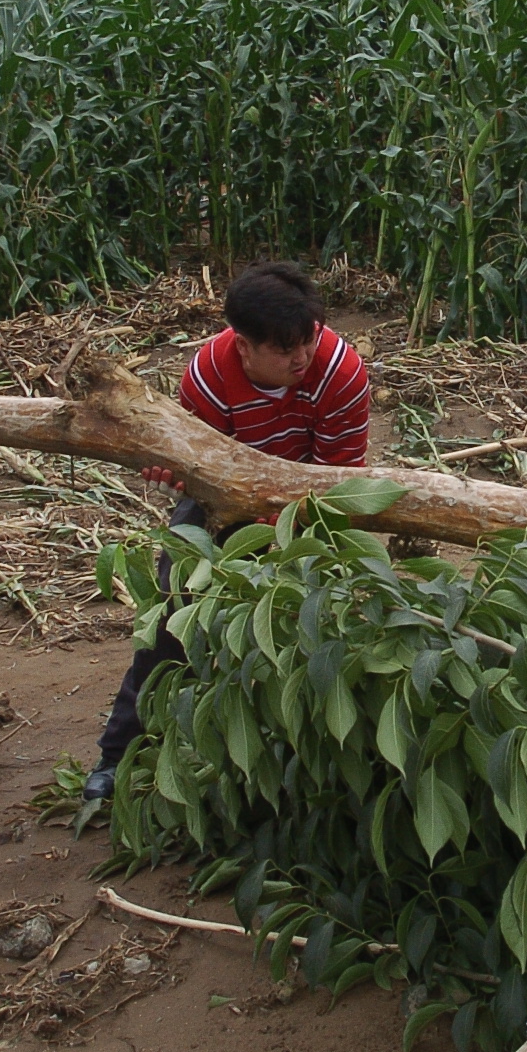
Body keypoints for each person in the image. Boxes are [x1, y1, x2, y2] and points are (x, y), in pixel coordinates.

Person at [84, 261, 370, 800]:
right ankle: (118, 756)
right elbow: (200, 468)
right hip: (223, 502)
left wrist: (283, 532)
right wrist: (173, 468)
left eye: (307, 340)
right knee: (173, 619)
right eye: (284, 350)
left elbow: (339, 480)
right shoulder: (210, 375)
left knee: (320, 621)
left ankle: (305, 764)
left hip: (311, 505)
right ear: (243, 344)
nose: (301, 358)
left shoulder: (339, 370)